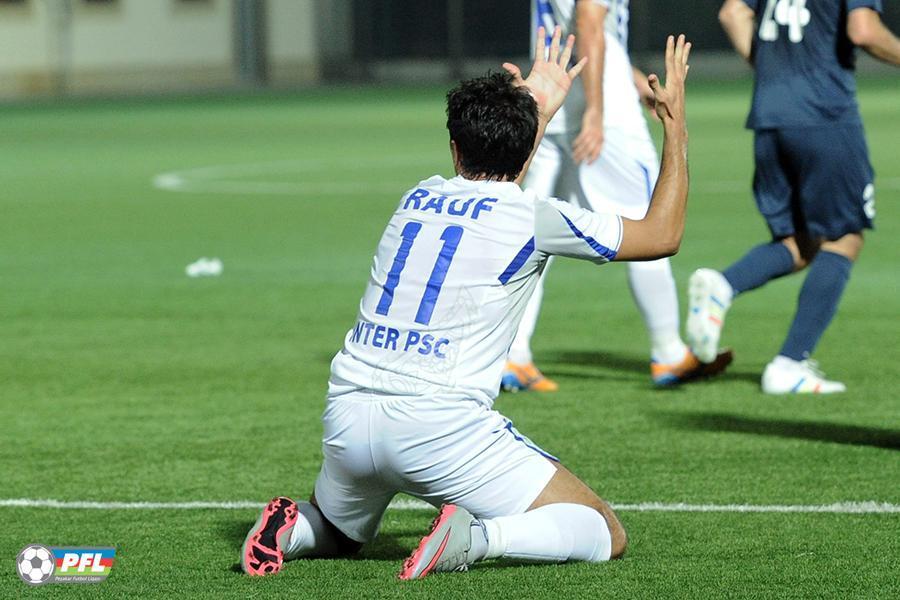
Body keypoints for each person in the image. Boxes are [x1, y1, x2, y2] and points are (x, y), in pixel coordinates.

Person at [241, 28, 692, 580]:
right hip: (438, 428)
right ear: (526, 146)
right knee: (601, 529)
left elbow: (499, 177)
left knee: (339, 531)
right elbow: (662, 235)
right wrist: (674, 124)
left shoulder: (415, 197)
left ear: (455, 147)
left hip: (349, 418)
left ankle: (293, 530)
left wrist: (537, 112)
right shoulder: (535, 218)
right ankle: (477, 537)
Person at [501, 0, 732, 392]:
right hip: (603, 115)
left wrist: (635, 82)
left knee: (528, 234)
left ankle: (513, 353)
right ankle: (669, 352)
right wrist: (597, 110)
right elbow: (590, 20)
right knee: (648, 223)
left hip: (552, 102)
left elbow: (589, 30)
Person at [688, 0, 900, 394]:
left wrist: (771, 71)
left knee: (803, 240)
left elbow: (732, 13)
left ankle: (723, 285)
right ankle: (790, 363)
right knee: (845, 237)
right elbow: (864, 30)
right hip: (823, 114)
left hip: (769, 114)